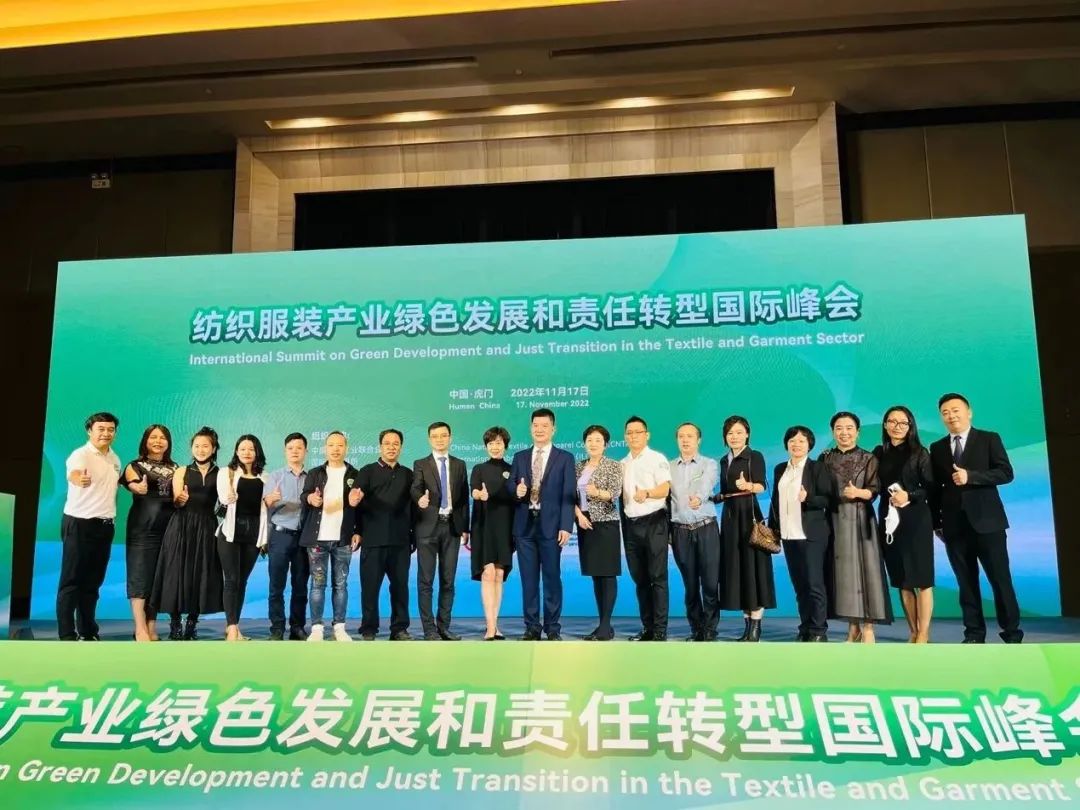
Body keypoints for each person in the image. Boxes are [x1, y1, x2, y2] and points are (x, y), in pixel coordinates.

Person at [928, 393, 1022, 643]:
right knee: (966, 583)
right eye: (945, 412)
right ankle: (974, 634)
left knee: (1000, 580)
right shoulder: (937, 448)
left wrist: (972, 477)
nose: (951, 415)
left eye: (956, 410)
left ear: (969, 412)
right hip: (954, 526)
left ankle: (1012, 633)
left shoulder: (989, 439)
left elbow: (1005, 473)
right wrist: (937, 523)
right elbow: (935, 489)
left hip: (988, 523)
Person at [821, 411, 892, 643]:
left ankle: (869, 627)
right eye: (839, 428)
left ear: (857, 432)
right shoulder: (825, 458)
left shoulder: (869, 458)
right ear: (833, 432)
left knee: (868, 571)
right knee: (844, 575)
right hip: (835, 520)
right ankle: (853, 627)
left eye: (849, 428)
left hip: (861, 519)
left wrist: (859, 492)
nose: (844, 432)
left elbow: (875, 489)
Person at [509, 408, 576, 641]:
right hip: (524, 527)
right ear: (531, 428)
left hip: (551, 526)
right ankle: (532, 627)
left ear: (553, 429)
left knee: (551, 578)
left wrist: (566, 526)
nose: (539, 429)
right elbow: (511, 487)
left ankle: (553, 627)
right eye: (535, 425)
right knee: (528, 580)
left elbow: (569, 494)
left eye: (544, 426)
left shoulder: (565, 458)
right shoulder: (519, 457)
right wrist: (517, 491)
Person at [152, 426, 224, 641]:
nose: (201, 450)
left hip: (207, 526)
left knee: (202, 572)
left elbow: (223, 504)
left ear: (213, 449)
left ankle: (192, 623)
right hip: (181, 525)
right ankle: (175, 623)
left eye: (205, 446)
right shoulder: (182, 470)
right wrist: (179, 500)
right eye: (197, 446)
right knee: (175, 572)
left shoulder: (221, 473)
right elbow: (176, 499)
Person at [57, 411, 122, 641]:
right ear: (89, 431)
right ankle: (67, 634)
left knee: (93, 582)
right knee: (71, 581)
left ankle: (88, 631)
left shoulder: (115, 459)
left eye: (110, 429)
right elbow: (73, 473)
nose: (106, 433)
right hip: (79, 523)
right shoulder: (80, 455)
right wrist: (78, 479)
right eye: (101, 429)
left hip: (105, 526)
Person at [874, 406, 936, 643]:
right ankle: (913, 630)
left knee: (922, 579)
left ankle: (924, 633)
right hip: (890, 521)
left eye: (903, 422)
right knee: (902, 579)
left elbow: (930, 487)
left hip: (916, 519)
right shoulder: (879, 452)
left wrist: (908, 496)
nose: (897, 426)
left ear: (911, 426)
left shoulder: (920, 452)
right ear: (885, 425)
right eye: (892, 421)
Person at [767, 425, 833, 642]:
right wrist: (773, 528)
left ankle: (818, 630)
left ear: (809, 445)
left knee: (814, 584)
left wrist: (808, 498)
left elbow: (828, 499)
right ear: (787, 444)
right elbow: (776, 500)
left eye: (801, 441)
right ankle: (805, 627)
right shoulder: (780, 469)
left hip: (811, 535)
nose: (796, 445)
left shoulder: (817, 468)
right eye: (792, 441)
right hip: (788, 534)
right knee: (800, 585)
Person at [713, 415, 773, 642]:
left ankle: (756, 626)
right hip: (730, 519)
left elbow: (761, 486)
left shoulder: (754, 456)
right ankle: (747, 626)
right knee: (737, 570)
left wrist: (748, 485)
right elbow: (725, 491)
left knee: (753, 569)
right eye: (730, 433)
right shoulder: (723, 460)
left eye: (739, 432)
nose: (734, 437)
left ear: (747, 434)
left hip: (749, 517)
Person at [299, 431, 361, 642]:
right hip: (318, 539)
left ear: (346, 448)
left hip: (343, 539)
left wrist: (358, 530)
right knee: (317, 584)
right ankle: (317, 628)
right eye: (331, 445)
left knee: (340, 585)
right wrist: (310, 498)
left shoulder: (355, 474)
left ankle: (339, 627)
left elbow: (361, 507)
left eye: (340, 445)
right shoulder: (315, 473)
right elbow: (304, 495)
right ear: (325, 448)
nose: (336, 449)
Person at [411, 422, 469, 641]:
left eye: (443, 435)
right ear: (429, 439)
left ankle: (444, 627)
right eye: (435, 436)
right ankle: (429, 629)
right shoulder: (421, 464)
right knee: (426, 580)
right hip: (427, 527)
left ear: (450, 438)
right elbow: (415, 488)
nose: (439, 439)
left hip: (452, 527)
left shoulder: (459, 464)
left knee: (448, 580)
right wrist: (420, 499)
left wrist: (465, 528)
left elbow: (464, 499)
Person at [355, 429, 414, 641]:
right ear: (380, 446)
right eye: (387, 443)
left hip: (400, 541)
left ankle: (399, 628)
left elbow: (414, 508)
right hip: (373, 540)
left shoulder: (408, 474)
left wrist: (413, 537)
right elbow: (356, 502)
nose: (391, 447)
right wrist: (357, 531)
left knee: (400, 588)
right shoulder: (367, 471)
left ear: (401, 447)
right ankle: (369, 628)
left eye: (395, 443)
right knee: (370, 588)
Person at [122, 424, 178, 642]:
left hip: (169, 529)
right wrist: (137, 487)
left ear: (168, 442)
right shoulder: (134, 465)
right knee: (140, 576)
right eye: (153, 437)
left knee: (158, 578)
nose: (158, 441)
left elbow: (179, 493)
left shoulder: (175, 467)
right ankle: (140, 628)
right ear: (145, 441)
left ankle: (151, 626)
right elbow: (132, 483)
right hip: (142, 529)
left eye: (162, 438)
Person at [668, 422, 721, 642]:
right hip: (680, 531)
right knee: (690, 585)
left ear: (698, 440)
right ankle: (696, 628)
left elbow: (707, 484)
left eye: (690, 436)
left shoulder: (709, 464)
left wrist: (698, 498)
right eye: (681, 436)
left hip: (706, 527)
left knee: (709, 582)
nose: (685, 440)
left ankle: (710, 629)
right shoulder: (668, 467)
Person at [620, 415, 672, 642]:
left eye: (637, 432)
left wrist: (648, 493)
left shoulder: (656, 458)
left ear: (647, 435)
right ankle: (647, 627)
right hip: (631, 525)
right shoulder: (622, 463)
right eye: (629, 433)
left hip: (654, 522)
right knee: (639, 578)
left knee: (657, 577)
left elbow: (665, 489)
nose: (633, 436)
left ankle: (660, 630)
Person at [216, 434, 269, 642]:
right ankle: (231, 628)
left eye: (251, 449)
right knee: (231, 579)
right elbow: (223, 497)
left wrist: (271, 500)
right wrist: (228, 497)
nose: (247, 452)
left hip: (254, 535)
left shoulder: (265, 477)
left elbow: (265, 507)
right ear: (236, 452)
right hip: (230, 533)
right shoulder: (226, 473)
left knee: (242, 581)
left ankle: (235, 625)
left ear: (257, 452)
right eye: (243, 449)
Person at [574, 425, 624, 642]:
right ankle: (603, 625)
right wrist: (578, 515)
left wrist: (598, 492)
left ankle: (605, 626)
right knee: (596, 574)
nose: (593, 444)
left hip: (606, 523)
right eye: (589, 440)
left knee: (607, 574)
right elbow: (570, 496)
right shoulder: (578, 466)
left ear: (605, 444)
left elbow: (615, 493)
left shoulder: (613, 465)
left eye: (598, 440)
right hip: (584, 523)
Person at [263, 432, 310, 641]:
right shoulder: (275, 476)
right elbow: (265, 504)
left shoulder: (312, 477)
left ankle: (297, 627)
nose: (294, 452)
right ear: (285, 451)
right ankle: (277, 627)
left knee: (300, 586)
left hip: (304, 537)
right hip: (280, 535)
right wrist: (270, 500)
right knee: (276, 586)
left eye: (299, 448)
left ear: (306, 451)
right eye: (290, 448)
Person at [470, 426, 515, 641]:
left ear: (505, 445)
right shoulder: (479, 468)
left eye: (498, 443)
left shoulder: (513, 469)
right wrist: (479, 494)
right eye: (491, 443)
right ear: (486, 446)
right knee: (487, 573)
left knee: (498, 574)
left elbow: (517, 497)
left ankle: (495, 625)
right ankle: (489, 627)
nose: (495, 447)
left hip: (505, 526)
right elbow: (474, 490)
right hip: (484, 525)